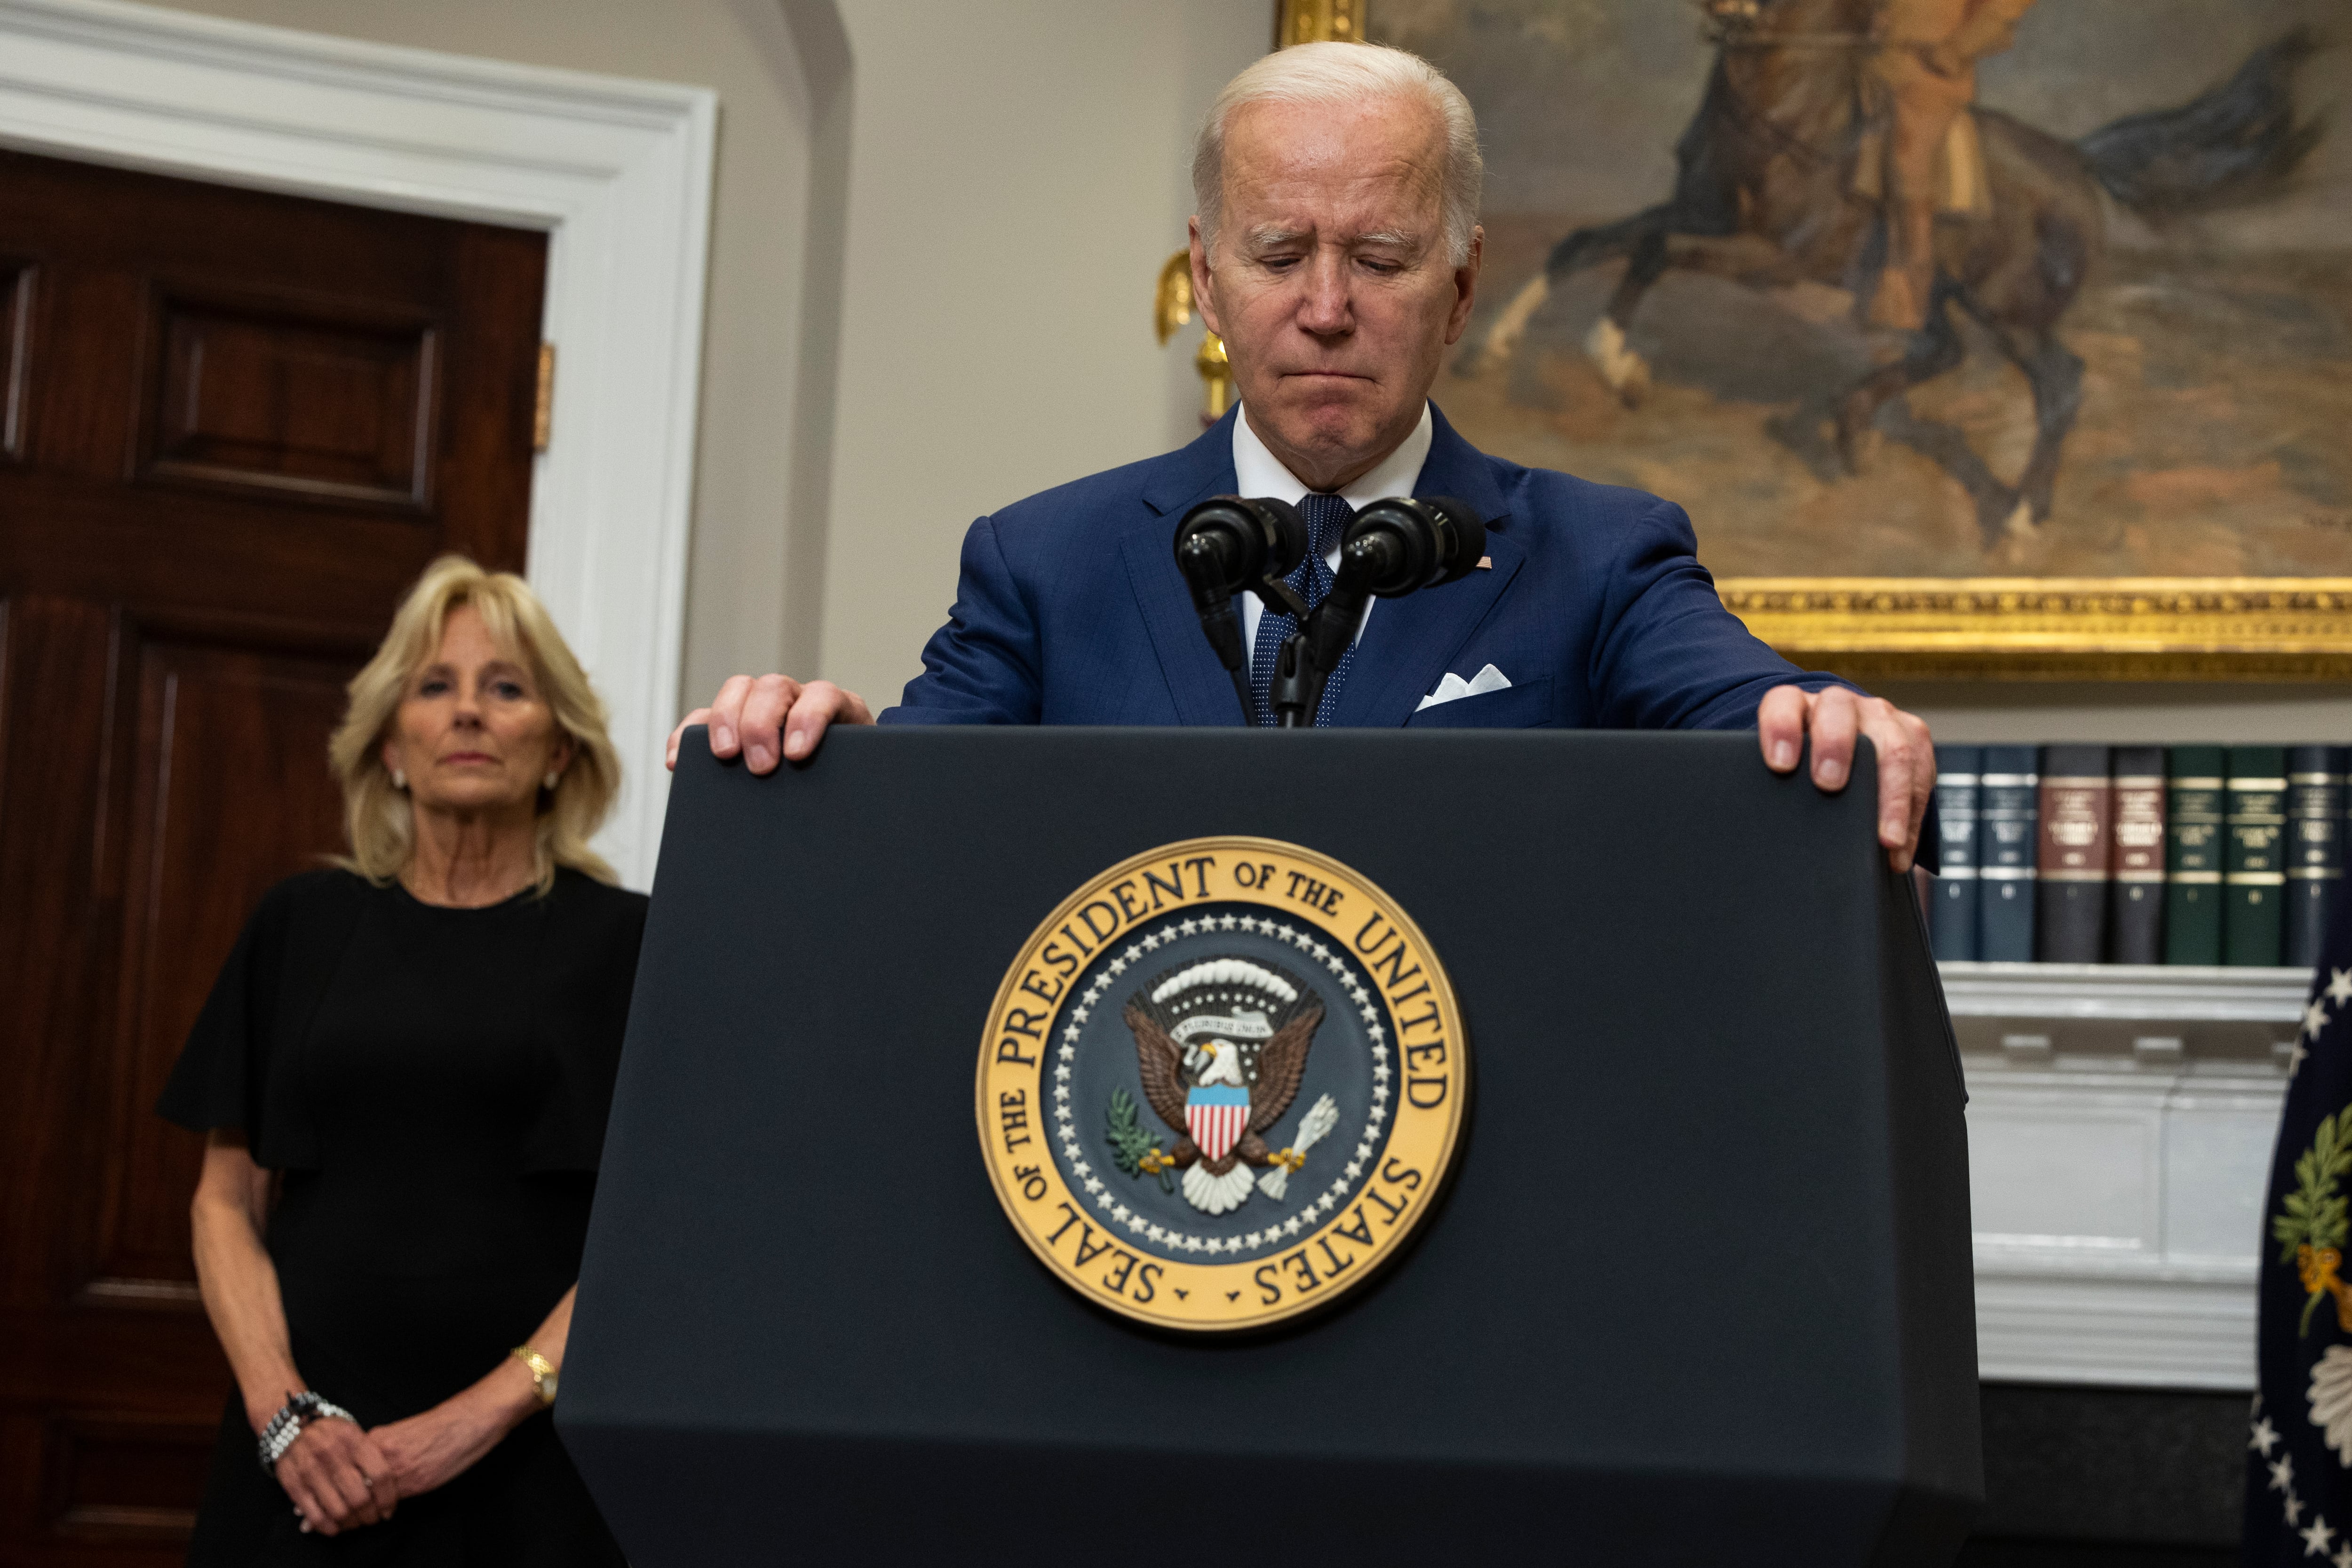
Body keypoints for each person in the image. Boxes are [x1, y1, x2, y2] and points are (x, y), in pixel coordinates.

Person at [672, 42, 1938, 874]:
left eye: (1380, 259)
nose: (1327, 306)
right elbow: (912, 830)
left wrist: (1837, 722)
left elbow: (1767, 720)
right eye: (1280, 255)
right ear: (1209, 277)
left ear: (1461, 282)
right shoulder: (1045, 561)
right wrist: (826, 764)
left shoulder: (1600, 558)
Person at [159, 556, 643, 1563]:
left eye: (506, 688)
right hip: (303, 1462)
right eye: (435, 686)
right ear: (389, 742)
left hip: (531, 1460)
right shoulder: (301, 924)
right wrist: (285, 1416)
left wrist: (472, 1419)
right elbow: (225, 1202)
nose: (468, 712)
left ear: (558, 747)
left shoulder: (631, 947)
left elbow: (651, 1236)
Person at [1858, 0, 2040, 330]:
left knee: (1908, 173)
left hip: (1929, 76)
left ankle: (1908, 305)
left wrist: (1957, 49)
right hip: (1877, 64)